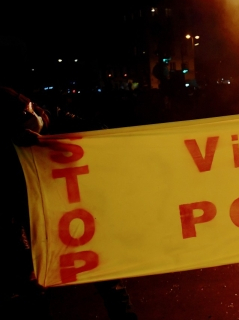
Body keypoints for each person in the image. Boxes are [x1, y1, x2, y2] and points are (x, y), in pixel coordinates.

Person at [0, 86, 138, 320]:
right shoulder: (9, 146)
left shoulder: (52, 116)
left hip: (79, 214)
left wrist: (48, 141)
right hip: (38, 221)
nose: (30, 116)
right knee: (38, 287)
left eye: (30, 111)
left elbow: (101, 135)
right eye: (23, 117)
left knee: (108, 278)